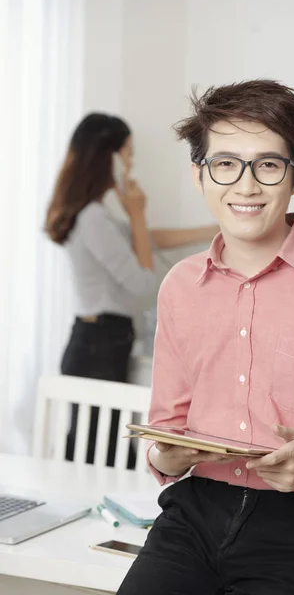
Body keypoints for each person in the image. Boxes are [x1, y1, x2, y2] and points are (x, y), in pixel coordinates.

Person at [116, 80, 294, 595]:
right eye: (225, 164)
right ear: (200, 175)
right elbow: (165, 432)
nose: (245, 186)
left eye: (268, 165)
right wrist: (167, 456)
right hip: (191, 515)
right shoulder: (180, 285)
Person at [45, 113, 218, 467]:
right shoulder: (93, 217)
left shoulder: (99, 216)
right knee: (98, 455)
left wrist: (216, 230)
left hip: (101, 340)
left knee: (96, 450)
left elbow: (146, 241)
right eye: (129, 154)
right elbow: (143, 283)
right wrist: (138, 213)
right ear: (109, 156)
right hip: (98, 342)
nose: (131, 164)